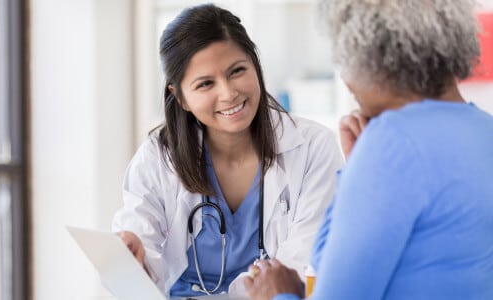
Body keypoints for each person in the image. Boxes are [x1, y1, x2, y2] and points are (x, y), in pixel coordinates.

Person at [244, 0, 493, 299]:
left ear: (370, 57)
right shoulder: (483, 130)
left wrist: (276, 293)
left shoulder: (392, 144)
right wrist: (357, 169)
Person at [111, 3, 343, 298]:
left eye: (237, 71)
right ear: (180, 97)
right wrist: (132, 258)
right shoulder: (157, 159)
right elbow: (139, 245)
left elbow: (302, 263)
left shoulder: (313, 148)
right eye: (206, 84)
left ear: (255, 66)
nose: (228, 93)